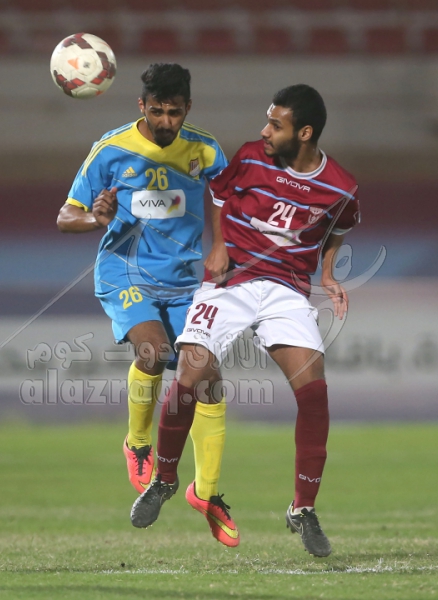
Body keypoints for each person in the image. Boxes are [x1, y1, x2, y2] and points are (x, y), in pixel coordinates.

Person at [130, 84, 360, 558]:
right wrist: (218, 245)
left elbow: (340, 224)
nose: (265, 131)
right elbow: (219, 196)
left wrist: (328, 273)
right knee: (190, 372)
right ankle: (165, 480)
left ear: (304, 133)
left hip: (286, 290)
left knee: (313, 390)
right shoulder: (252, 156)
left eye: (276, 124)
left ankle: (303, 508)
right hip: (231, 280)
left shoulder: (341, 186)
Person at [57, 63, 238, 546]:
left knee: (207, 377)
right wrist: (95, 220)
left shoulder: (205, 150)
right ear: (141, 106)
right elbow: (66, 216)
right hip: (124, 271)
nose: (165, 122)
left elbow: (226, 199)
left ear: (187, 109)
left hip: (182, 281)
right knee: (153, 352)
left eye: (174, 113)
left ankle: (207, 493)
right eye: (156, 111)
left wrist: (221, 246)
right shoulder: (111, 149)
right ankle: (138, 444)